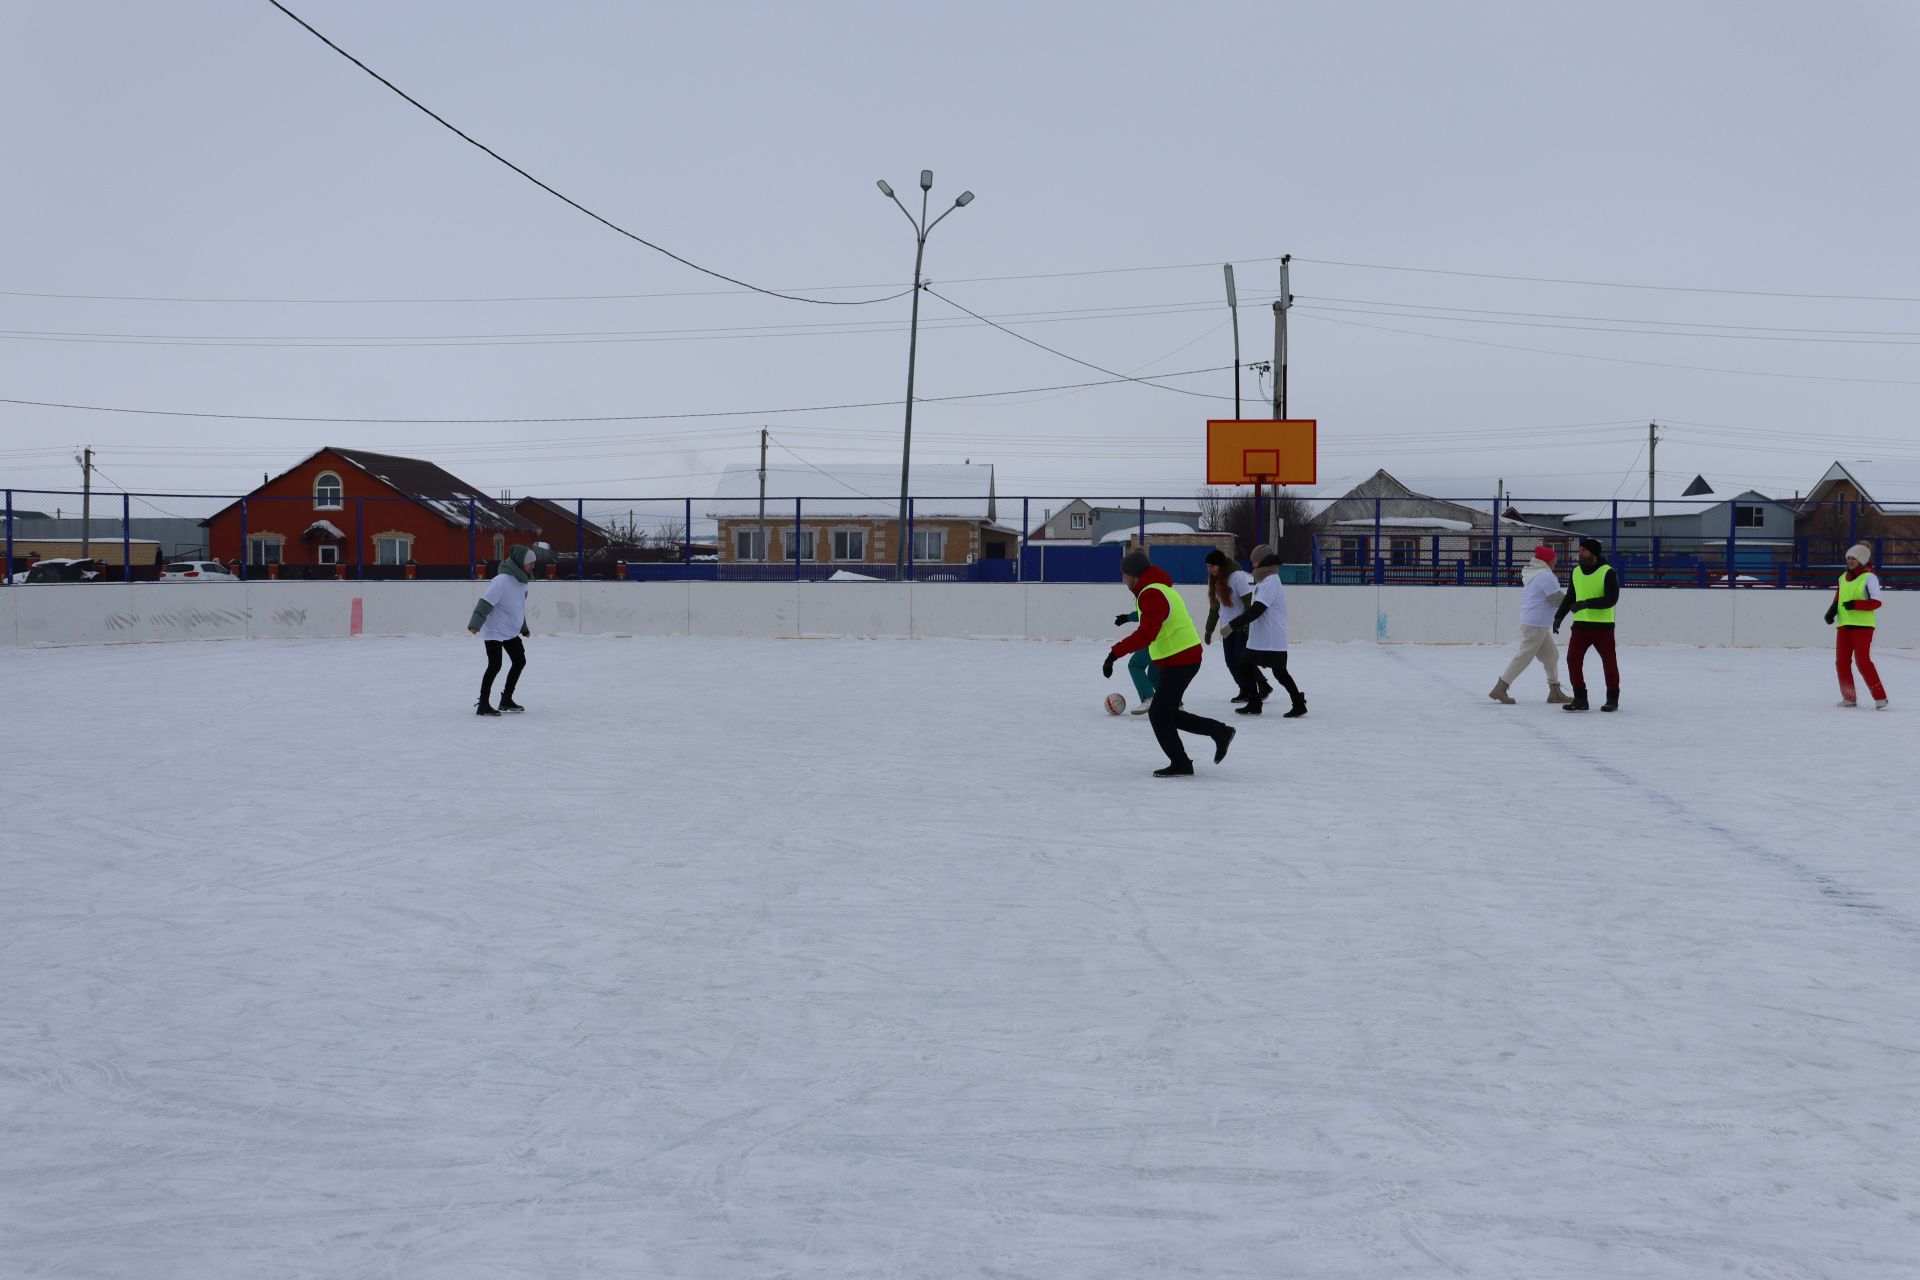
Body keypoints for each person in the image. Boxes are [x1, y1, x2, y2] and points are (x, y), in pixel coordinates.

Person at [1105, 548, 1234, 776]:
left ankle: (1183, 762)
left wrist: (1114, 653)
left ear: (1134, 574)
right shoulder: (1155, 590)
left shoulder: (1152, 594)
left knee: (1158, 713)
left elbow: (1147, 634)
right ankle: (1219, 732)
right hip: (1179, 658)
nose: (1123, 579)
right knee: (1166, 712)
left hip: (1182, 659)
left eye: (1124, 574)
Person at [1223, 551, 1307, 717]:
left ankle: (1298, 703)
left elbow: (1257, 610)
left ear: (1262, 563)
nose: (1252, 565)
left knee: (1279, 672)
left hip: (1271, 637)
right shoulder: (1266, 580)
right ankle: (1255, 703)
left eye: (1254, 562)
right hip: (1262, 637)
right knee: (1245, 664)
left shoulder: (1270, 582)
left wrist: (1233, 625)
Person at [1490, 544, 1573, 705]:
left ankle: (1554, 691)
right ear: (1547, 560)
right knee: (1524, 657)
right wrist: (1575, 603)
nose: (1556, 562)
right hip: (1536, 624)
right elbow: (1555, 599)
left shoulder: (1535, 574)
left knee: (1551, 656)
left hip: (1536, 623)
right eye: (1554, 559)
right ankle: (1500, 688)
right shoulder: (1545, 576)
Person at [1553, 538, 1621, 712]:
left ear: (1593, 553)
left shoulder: (1608, 572)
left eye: (1583, 550)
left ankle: (1612, 698)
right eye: (1580, 549)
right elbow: (1570, 596)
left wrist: (1585, 604)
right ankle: (1580, 698)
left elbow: (1611, 599)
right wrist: (1559, 616)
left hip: (1603, 626)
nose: (1580, 553)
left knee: (1609, 662)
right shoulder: (1576, 571)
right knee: (1572, 660)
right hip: (1581, 626)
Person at [468, 544, 536, 715]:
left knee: (519, 660)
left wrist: (524, 628)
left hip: (509, 630)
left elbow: (516, 608)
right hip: (494, 631)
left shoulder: (521, 582)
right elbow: (486, 602)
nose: (532, 566)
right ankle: (483, 704)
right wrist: (475, 623)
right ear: (520, 563)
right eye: (530, 563)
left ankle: (506, 699)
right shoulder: (501, 581)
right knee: (495, 665)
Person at [1203, 547, 1268, 705]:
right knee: (1230, 661)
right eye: (1208, 567)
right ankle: (1245, 688)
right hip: (1227, 627)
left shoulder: (1237, 577)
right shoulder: (1216, 580)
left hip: (1240, 625)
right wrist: (1209, 630)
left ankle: (1261, 685)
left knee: (1241, 660)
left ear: (1220, 565)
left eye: (1212, 566)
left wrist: (1247, 624)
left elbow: (1248, 601)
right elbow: (1215, 608)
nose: (1210, 569)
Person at [1826, 543, 1888, 709]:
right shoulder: (1842, 578)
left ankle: (1880, 697)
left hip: (1863, 627)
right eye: (1848, 558)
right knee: (1841, 662)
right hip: (1844, 626)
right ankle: (1849, 697)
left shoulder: (1869, 578)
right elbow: (1838, 598)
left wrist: (1856, 604)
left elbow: (1877, 601)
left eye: (1853, 558)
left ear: (1861, 560)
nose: (1850, 561)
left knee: (1863, 662)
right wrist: (1831, 612)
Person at [1113, 600, 1159, 716]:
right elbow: (1148, 612)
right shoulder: (1160, 589)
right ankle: (1175, 704)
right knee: (1154, 676)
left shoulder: (1148, 589)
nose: (1125, 580)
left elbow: (1149, 613)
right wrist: (1128, 617)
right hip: (1170, 638)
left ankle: (1149, 698)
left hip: (1157, 637)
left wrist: (1128, 617)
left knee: (1135, 664)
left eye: (1126, 579)